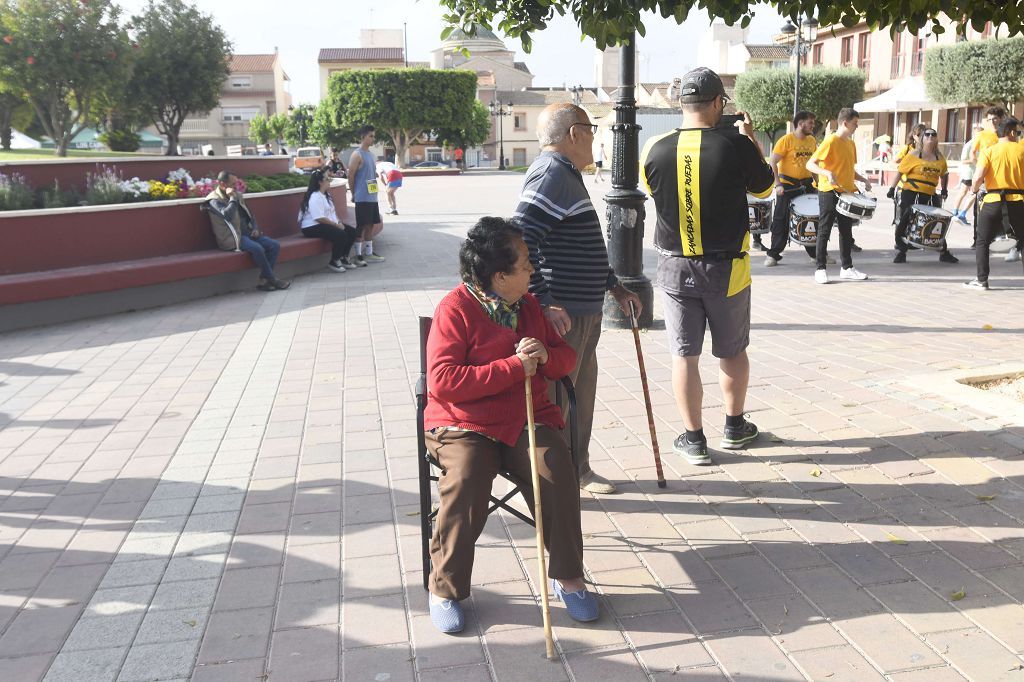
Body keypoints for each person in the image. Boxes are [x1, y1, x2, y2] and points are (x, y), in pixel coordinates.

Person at [424, 217, 597, 633]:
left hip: (526, 418)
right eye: (525, 265)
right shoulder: (455, 309)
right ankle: (445, 587)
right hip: (465, 423)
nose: (533, 270)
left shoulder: (531, 306)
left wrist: (544, 355)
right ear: (500, 276)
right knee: (467, 477)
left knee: (555, 467)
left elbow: (564, 361)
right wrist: (512, 366)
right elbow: (444, 381)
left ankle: (568, 577)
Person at [640, 67, 774, 466]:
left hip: (675, 267)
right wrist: (752, 140)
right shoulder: (736, 145)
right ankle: (734, 428)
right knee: (732, 353)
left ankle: (694, 439)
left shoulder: (655, 147)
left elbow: (652, 191)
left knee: (685, 356)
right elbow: (765, 187)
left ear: (682, 103)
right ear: (718, 103)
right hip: (727, 268)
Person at [513, 103, 641, 495]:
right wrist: (544, 301)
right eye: (592, 129)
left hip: (581, 312)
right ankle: (555, 482)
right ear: (574, 134)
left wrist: (614, 285)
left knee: (580, 395)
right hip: (565, 315)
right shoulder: (553, 173)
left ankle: (576, 470)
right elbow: (520, 237)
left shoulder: (564, 174)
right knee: (559, 401)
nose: (596, 138)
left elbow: (579, 243)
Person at [805, 107, 874, 284]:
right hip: (828, 191)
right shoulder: (831, 141)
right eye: (855, 123)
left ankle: (847, 268)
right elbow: (810, 165)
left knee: (846, 231)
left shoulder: (850, 144)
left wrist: (863, 179)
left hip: (847, 193)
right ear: (845, 122)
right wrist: (826, 173)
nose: (857, 127)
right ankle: (820, 269)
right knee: (824, 229)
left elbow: (849, 169)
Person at [205, 170, 290, 291]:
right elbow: (227, 215)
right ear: (223, 185)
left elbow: (250, 215)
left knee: (274, 245)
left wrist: (255, 228)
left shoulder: (238, 195)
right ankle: (273, 279)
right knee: (258, 248)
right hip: (233, 237)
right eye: (232, 184)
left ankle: (263, 280)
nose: (236, 187)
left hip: (248, 233)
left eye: (236, 183)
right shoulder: (213, 200)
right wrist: (232, 199)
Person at [965, 117, 1024, 290]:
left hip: (993, 201)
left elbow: (978, 176)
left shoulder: (989, 151)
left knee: (982, 241)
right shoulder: (1021, 150)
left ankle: (982, 280)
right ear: (1012, 132)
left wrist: (974, 190)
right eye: (1018, 133)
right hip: (1019, 201)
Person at [888, 127, 957, 264]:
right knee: (905, 221)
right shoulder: (913, 154)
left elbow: (944, 174)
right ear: (922, 138)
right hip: (911, 192)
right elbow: (900, 171)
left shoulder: (940, 158)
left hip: (930, 193)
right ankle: (902, 251)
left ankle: (943, 251)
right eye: (927, 135)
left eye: (933, 134)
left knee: (938, 222)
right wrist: (892, 188)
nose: (930, 137)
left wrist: (944, 189)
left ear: (936, 138)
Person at [765, 110, 817, 266]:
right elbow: (773, 162)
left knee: (811, 219)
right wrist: (778, 184)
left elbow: (814, 165)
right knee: (781, 219)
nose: (812, 126)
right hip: (787, 186)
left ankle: (815, 254)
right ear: (800, 123)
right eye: (810, 123)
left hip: (806, 185)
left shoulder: (812, 141)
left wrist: (818, 184)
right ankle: (773, 254)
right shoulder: (786, 140)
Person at [297, 168, 358, 272]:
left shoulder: (326, 195)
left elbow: (332, 213)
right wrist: (336, 225)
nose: (329, 180)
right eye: (327, 179)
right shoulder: (315, 197)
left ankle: (344, 257)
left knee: (352, 232)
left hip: (324, 223)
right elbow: (319, 218)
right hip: (311, 227)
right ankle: (334, 261)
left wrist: (338, 222)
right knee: (340, 235)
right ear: (320, 182)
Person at [347, 125, 385, 265]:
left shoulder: (371, 155)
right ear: (363, 137)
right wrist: (353, 193)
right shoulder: (357, 154)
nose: (373, 138)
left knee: (370, 225)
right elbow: (351, 175)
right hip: (362, 196)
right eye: (371, 136)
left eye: (374, 136)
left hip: (372, 196)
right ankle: (358, 255)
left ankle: (369, 253)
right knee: (361, 226)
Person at [952, 124, 985, 225]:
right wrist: (974, 160)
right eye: (980, 134)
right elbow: (963, 160)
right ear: (975, 134)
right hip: (969, 173)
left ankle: (959, 213)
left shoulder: (981, 145)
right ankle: (958, 213)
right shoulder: (969, 145)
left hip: (975, 172)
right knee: (969, 193)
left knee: (970, 193)